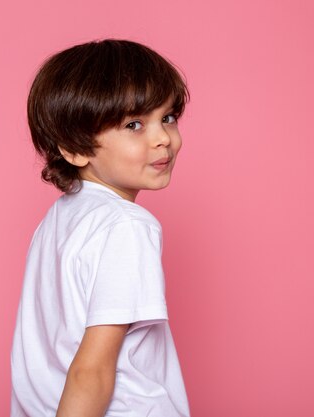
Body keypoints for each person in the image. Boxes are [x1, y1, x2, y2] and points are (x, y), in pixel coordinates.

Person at [11, 39, 190, 417]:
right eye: (134, 124)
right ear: (75, 149)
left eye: (168, 117)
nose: (162, 138)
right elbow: (91, 371)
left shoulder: (57, 222)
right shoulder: (126, 226)